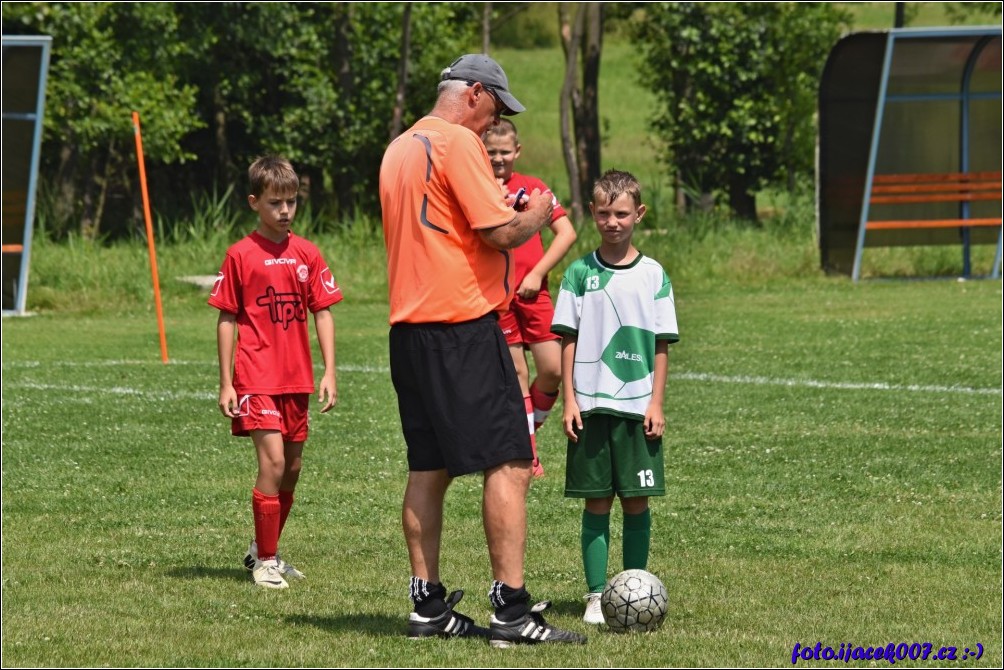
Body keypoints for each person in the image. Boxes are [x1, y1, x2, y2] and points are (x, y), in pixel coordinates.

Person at [379, 53, 587, 647]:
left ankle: (427, 607)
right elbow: (500, 233)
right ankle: (512, 613)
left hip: (409, 331)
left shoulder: (398, 147)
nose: (494, 122)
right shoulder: (458, 142)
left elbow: (446, 227)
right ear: (473, 92)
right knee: (511, 461)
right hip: (462, 328)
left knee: (429, 467)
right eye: (495, 107)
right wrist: (538, 212)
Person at [550, 169, 679, 624]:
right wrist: (569, 400)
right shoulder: (578, 273)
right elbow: (567, 340)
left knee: (637, 502)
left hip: (638, 408)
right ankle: (594, 595)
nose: (613, 222)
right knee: (597, 502)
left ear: (638, 214)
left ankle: (635, 587)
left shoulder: (654, 274)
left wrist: (656, 403)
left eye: (622, 214)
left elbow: (661, 344)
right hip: (590, 406)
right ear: (592, 213)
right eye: (604, 213)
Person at [208, 155, 342, 589]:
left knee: (292, 468)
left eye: (291, 202)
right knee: (273, 461)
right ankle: (266, 561)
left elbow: (323, 311)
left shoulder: (307, 253)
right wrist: (226, 382)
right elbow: (227, 317)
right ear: (254, 203)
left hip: (296, 377)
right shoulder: (240, 255)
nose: (285, 211)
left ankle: (262, 548)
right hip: (255, 376)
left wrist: (329, 371)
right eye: (274, 203)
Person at [482, 119, 577, 478]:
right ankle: (530, 454)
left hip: (535, 294)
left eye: (505, 152)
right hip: (498, 297)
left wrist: (537, 273)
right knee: (518, 373)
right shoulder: (477, 188)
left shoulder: (534, 187)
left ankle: (527, 429)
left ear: (517, 151)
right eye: (491, 152)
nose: (498, 158)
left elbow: (566, 233)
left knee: (552, 369)